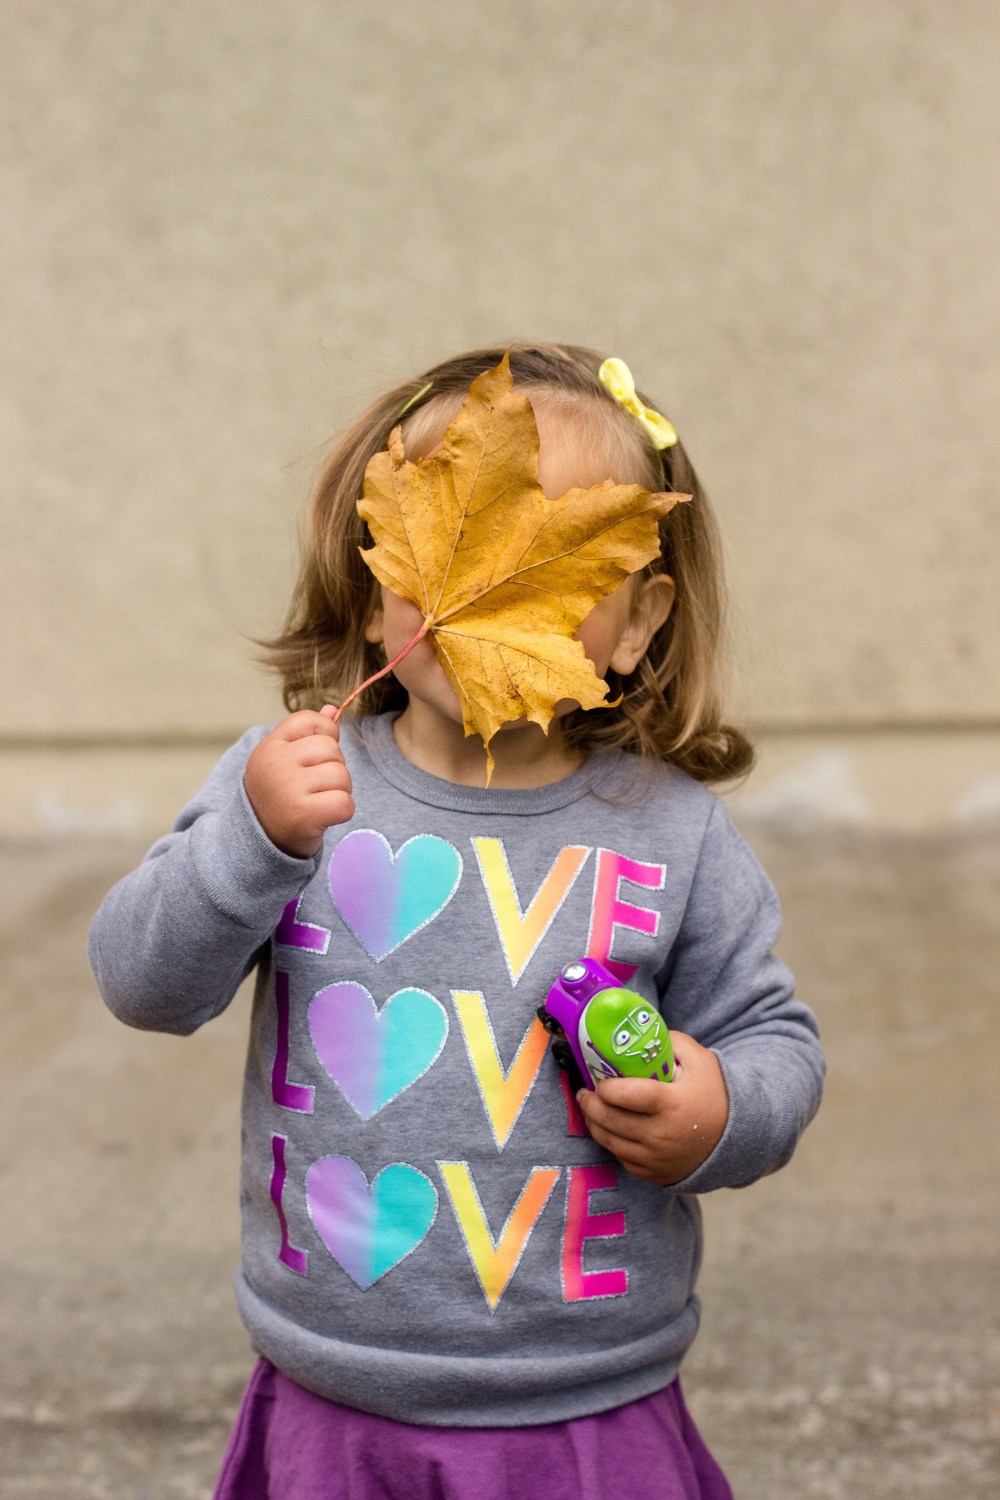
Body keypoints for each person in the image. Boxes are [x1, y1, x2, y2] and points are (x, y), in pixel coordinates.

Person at [89, 342, 824, 1499]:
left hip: (585, 1398)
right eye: (464, 548)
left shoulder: (669, 833)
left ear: (639, 621)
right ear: (378, 574)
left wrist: (719, 1113)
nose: (493, 589)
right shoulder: (290, 785)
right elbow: (142, 983)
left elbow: (775, 1041)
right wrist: (252, 842)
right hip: (335, 1394)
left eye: (550, 566)